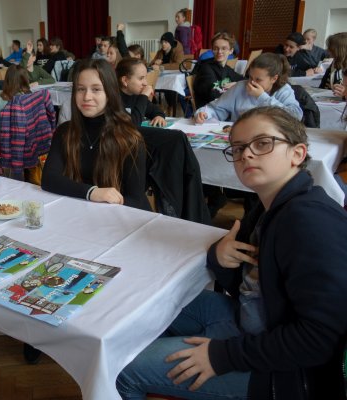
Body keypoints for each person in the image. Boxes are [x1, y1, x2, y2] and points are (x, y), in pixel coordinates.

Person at [116, 106, 347, 400]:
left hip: (289, 373)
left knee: (124, 370)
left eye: (262, 143)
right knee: (147, 303)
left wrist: (222, 356)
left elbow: (319, 339)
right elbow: (249, 286)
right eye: (238, 148)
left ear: (297, 153)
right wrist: (219, 257)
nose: (246, 154)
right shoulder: (270, 207)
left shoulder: (309, 221)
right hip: (252, 321)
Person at [42, 58, 149, 210]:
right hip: (78, 214)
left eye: (96, 89)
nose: (87, 97)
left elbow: (136, 201)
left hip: (119, 219)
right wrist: (92, 192)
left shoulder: (129, 138)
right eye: (81, 89)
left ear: (110, 93)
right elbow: (49, 179)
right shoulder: (64, 132)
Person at [194, 53, 302, 123]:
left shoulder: (283, 90)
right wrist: (205, 113)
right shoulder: (241, 87)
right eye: (250, 77)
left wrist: (262, 97)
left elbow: (296, 116)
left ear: (273, 79)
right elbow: (217, 108)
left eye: (258, 79)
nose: (252, 82)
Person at [193, 32, 245, 109]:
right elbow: (212, 95)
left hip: (225, 108)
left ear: (231, 50)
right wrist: (234, 88)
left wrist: (236, 84)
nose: (219, 52)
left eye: (224, 48)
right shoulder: (206, 68)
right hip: (208, 112)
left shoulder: (227, 69)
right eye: (216, 48)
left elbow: (245, 80)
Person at [116, 58, 165, 127]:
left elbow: (156, 110)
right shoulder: (113, 99)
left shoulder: (135, 95)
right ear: (125, 80)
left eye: (145, 78)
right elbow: (132, 125)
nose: (145, 83)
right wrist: (144, 96)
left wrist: (159, 116)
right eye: (141, 78)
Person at [319, 32, 346, 97]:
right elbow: (322, 86)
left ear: (340, 50)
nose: (328, 50)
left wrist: (344, 94)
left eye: (331, 48)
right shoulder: (334, 63)